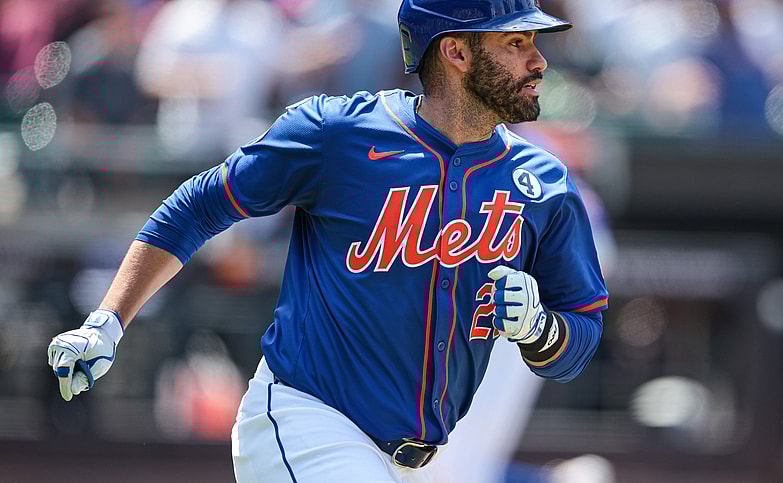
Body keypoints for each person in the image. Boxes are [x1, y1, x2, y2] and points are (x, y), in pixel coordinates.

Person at [46, 1, 608, 482]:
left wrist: (541, 331)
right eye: (515, 43)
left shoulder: (545, 182)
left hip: (422, 460)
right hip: (306, 422)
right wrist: (109, 318)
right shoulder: (338, 134)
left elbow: (581, 331)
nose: (538, 61)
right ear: (456, 52)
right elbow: (198, 206)